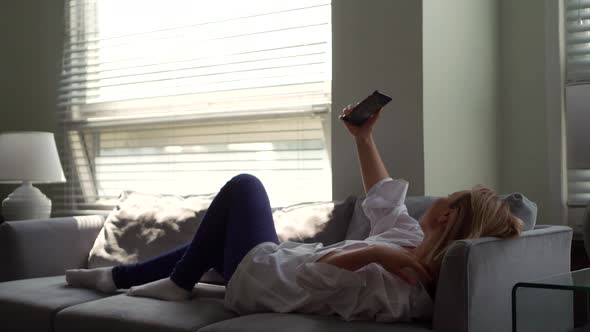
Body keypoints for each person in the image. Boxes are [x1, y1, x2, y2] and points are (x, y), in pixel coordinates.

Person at [66, 105, 523, 322]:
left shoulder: (403, 292)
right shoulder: (408, 239)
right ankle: (118, 280)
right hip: (271, 264)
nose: (440, 197)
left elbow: (321, 272)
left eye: (450, 197)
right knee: (212, 238)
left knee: (246, 186)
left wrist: (380, 257)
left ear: (448, 217)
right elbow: (383, 196)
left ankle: (179, 284)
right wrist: (363, 139)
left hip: (262, 282)